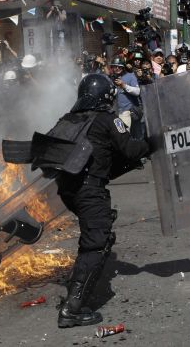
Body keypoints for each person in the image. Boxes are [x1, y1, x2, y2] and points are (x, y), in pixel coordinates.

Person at [52, 74, 149, 327]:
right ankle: (72, 309)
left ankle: (77, 282)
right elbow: (130, 149)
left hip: (68, 190)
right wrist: (152, 142)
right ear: (106, 96)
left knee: (95, 234)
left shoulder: (68, 119)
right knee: (97, 242)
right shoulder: (108, 119)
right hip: (89, 190)